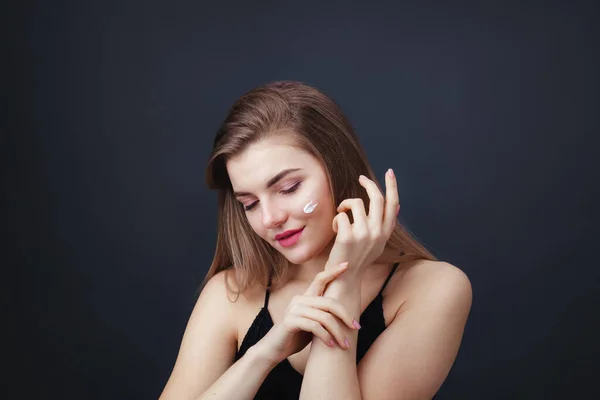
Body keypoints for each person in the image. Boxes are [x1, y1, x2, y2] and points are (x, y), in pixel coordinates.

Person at [160, 81, 472, 399]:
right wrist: (263, 354)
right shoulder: (232, 293)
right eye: (250, 204)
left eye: (289, 187)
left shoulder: (434, 288)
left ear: (338, 166)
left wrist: (343, 281)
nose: (269, 219)